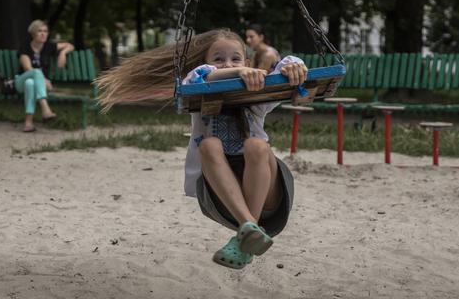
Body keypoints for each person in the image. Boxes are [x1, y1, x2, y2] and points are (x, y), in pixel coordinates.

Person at [95, 29, 307, 270]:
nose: (227, 63)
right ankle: (249, 229)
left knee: (257, 145)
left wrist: (294, 65)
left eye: (236, 58)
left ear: (248, 62)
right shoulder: (199, 89)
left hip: (270, 197)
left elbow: (285, 67)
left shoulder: (258, 100)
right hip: (225, 202)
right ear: (206, 64)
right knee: (209, 145)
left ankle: (251, 229)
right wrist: (237, 71)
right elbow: (197, 78)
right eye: (218, 59)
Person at [17, 19, 74, 132]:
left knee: (31, 84)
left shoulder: (48, 46)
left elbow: (69, 45)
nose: (43, 34)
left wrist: (62, 53)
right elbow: (28, 69)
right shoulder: (25, 47)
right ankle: (45, 109)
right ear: (33, 33)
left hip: (34, 84)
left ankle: (28, 123)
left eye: (45, 31)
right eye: (40, 31)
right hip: (20, 82)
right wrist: (44, 80)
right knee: (35, 74)